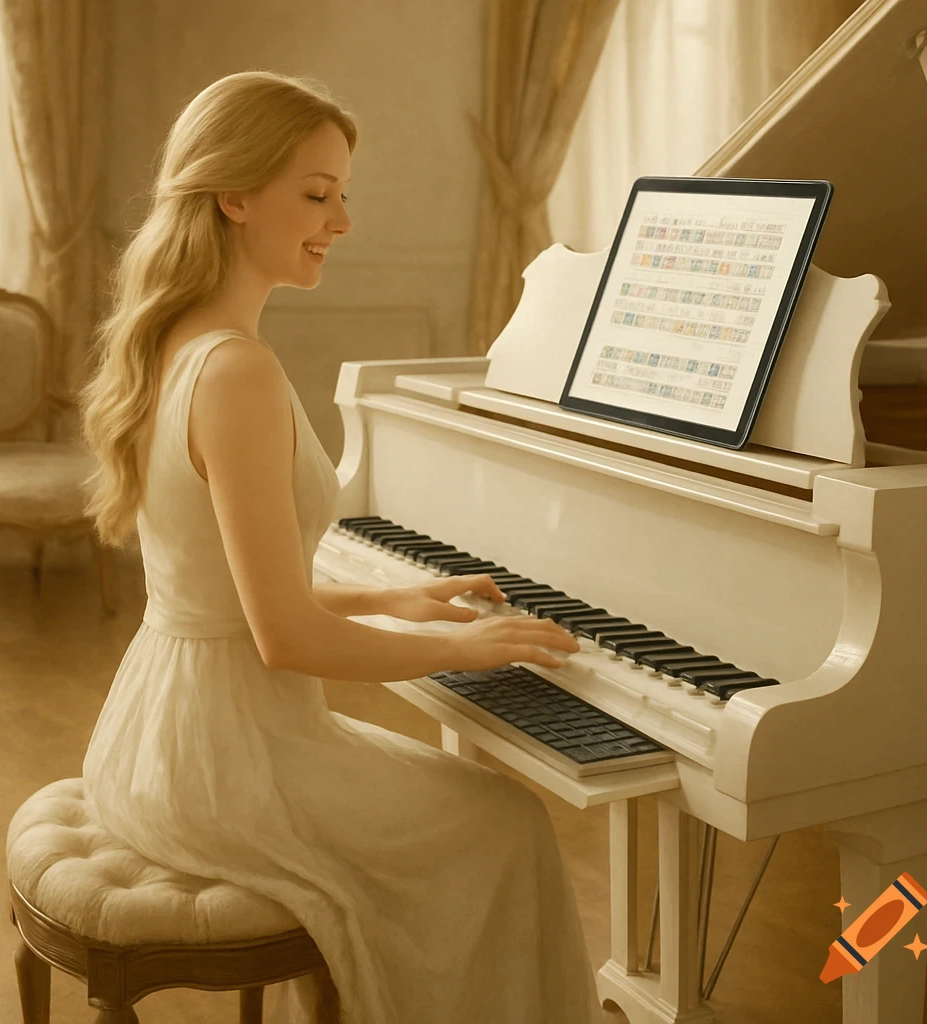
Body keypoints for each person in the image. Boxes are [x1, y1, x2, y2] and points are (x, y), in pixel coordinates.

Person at [77, 70, 603, 1024]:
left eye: (340, 195)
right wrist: (464, 646)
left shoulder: (176, 340)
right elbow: (283, 639)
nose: (342, 221)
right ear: (234, 194)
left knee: (470, 819)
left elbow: (226, 595)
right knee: (507, 823)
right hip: (224, 761)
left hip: (168, 732)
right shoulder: (235, 369)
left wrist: (391, 602)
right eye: (316, 194)